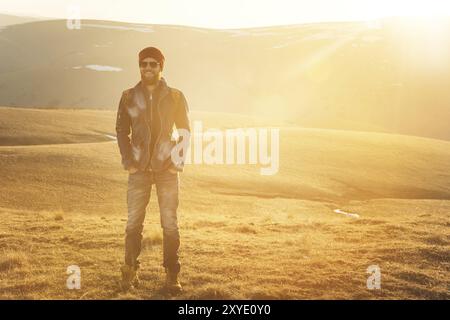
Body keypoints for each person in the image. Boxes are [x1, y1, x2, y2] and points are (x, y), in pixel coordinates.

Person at [115, 46, 190, 293]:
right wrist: (129, 161)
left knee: (170, 224)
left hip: (166, 169)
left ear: (161, 67)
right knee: (133, 224)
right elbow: (121, 131)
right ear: (139, 66)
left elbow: (185, 132)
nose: (148, 68)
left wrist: (176, 163)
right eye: (144, 64)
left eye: (153, 64)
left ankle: (171, 274)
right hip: (139, 171)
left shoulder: (176, 97)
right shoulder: (128, 96)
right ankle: (129, 270)